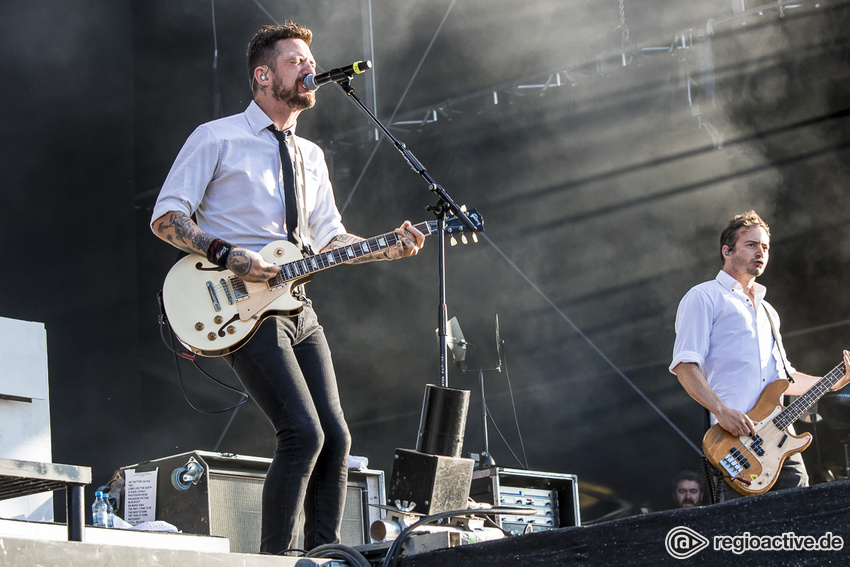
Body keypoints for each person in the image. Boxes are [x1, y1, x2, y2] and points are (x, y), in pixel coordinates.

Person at [150, 21, 425, 554]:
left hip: (297, 304)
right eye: (295, 60)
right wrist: (228, 254)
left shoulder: (311, 156)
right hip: (239, 304)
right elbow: (165, 218)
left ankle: (324, 559)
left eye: (308, 60)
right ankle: (277, 561)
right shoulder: (217, 137)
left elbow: (330, 238)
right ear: (262, 75)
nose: (308, 68)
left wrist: (385, 246)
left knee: (337, 438)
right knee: (303, 433)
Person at [670, 210, 850, 498]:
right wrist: (721, 410)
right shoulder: (704, 296)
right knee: (749, 535)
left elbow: (784, 377)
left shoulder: (768, 311)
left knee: (800, 531)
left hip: (781, 443)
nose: (761, 252)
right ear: (727, 251)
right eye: (752, 245)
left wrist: (836, 381)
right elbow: (685, 366)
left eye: (765, 247)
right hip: (736, 444)